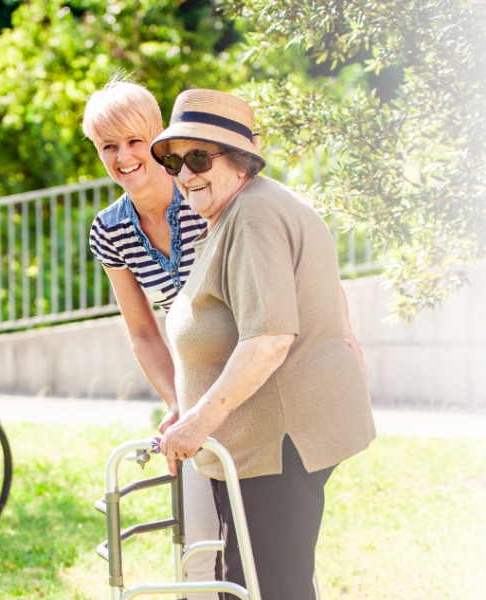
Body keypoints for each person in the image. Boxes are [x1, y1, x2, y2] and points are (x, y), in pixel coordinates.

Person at [83, 78, 367, 597]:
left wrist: (196, 421)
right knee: (248, 570)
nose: (186, 174)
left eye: (199, 159)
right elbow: (145, 330)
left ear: (240, 160)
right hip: (233, 425)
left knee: (265, 574)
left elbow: (273, 326)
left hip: (265, 427)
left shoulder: (243, 210)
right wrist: (180, 405)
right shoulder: (215, 209)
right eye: (178, 162)